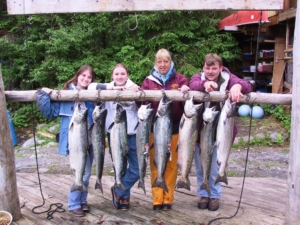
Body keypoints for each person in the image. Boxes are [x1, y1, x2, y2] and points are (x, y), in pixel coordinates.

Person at [36, 65, 120, 217]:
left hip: (92, 141)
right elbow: (49, 113)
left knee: (86, 173)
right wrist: (43, 94)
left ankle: (82, 201)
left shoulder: (93, 94)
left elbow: (104, 102)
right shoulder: (65, 94)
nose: (86, 79)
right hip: (75, 143)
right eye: (83, 76)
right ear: (77, 76)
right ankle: (74, 203)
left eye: (89, 77)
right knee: (83, 173)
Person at [189, 53, 252, 211]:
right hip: (200, 133)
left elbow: (246, 85)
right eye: (207, 68)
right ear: (203, 67)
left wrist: (238, 86)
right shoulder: (198, 78)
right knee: (201, 166)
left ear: (220, 68)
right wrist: (205, 85)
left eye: (214, 68)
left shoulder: (229, 78)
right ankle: (203, 193)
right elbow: (193, 84)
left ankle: (215, 195)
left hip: (221, 133)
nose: (210, 71)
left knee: (216, 167)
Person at [139, 48, 190, 211]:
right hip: (156, 128)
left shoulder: (180, 79)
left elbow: (186, 101)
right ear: (156, 63)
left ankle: (168, 198)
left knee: (172, 165)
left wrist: (184, 90)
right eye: (159, 61)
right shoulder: (148, 81)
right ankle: (157, 199)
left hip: (175, 128)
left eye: (166, 61)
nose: (163, 64)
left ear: (170, 62)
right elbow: (141, 104)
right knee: (156, 163)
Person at [89, 63, 140, 211]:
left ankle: (118, 190)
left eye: (122, 74)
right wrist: (112, 88)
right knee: (120, 168)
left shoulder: (134, 88)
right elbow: (90, 87)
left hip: (132, 136)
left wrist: (132, 90)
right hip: (114, 135)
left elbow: (136, 101)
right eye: (116, 74)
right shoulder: (107, 88)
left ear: (127, 75)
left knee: (137, 169)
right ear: (112, 76)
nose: (119, 76)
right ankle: (124, 199)